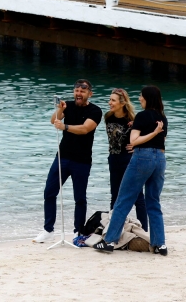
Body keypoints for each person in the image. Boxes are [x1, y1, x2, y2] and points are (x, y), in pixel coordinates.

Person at [95, 85, 169, 255]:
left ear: (148, 98)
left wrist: (149, 134)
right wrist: (156, 132)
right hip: (160, 159)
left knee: (123, 200)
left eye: (141, 96)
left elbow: (134, 140)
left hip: (143, 157)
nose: (139, 99)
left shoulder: (142, 116)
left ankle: (109, 241)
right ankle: (160, 244)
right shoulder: (162, 117)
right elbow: (162, 139)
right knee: (154, 202)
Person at [33, 79, 102, 243]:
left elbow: (85, 128)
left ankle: (78, 231)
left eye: (82, 91)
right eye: (77, 91)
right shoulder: (69, 106)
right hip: (62, 157)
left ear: (89, 93)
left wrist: (65, 127)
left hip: (82, 160)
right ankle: (48, 230)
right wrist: (60, 109)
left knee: (79, 198)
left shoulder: (95, 111)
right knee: (49, 192)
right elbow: (53, 120)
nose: (79, 94)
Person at [104, 88, 148, 231]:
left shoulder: (133, 120)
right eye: (110, 99)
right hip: (113, 159)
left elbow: (150, 137)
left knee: (137, 197)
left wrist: (137, 147)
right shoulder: (108, 117)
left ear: (122, 103)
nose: (110, 102)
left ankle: (144, 231)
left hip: (129, 159)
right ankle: (114, 230)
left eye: (113, 100)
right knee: (115, 196)